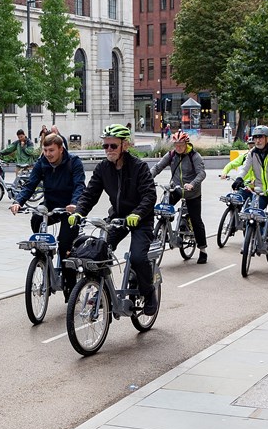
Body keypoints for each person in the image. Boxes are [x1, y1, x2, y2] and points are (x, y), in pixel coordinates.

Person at [67, 124, 158, 315]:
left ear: (125, 146)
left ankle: (149, 294)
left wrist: (138, 214)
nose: (108, 150)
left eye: (113, 146)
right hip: (117, 217)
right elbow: (90, 194)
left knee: (137, 257)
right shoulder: (103, 168)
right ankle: (101, 291)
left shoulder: (139, 168)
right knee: (99, 251)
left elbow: (150, 196)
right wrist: (79, 212)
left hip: (141, 219)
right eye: (105, 146)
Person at [10, 132, 86, 297]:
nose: (48, 154)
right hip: (50, 205)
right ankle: (43, 256)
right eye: (45, 150)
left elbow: (80, 185)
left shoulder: (74, 162)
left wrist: (74, 204)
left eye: (51, 150)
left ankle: (71, 289)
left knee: (65, 245)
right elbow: (31, 185)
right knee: (36, 217)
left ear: (60, 149)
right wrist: (18, 202)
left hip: (69, 208)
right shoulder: (42, 163)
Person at [151, 131, 208, 264]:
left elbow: (202, 173)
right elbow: (158, 167)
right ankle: (165, 229)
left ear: (186, 144)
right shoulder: (171, 155)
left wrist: (192, 184)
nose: (178, 147)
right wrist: (148, 178)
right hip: (176, 189)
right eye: (176, 144)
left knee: (196, 220)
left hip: (192, 193)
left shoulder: (195, 156)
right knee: (163, 209)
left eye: (181, 144)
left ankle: (203, 250)